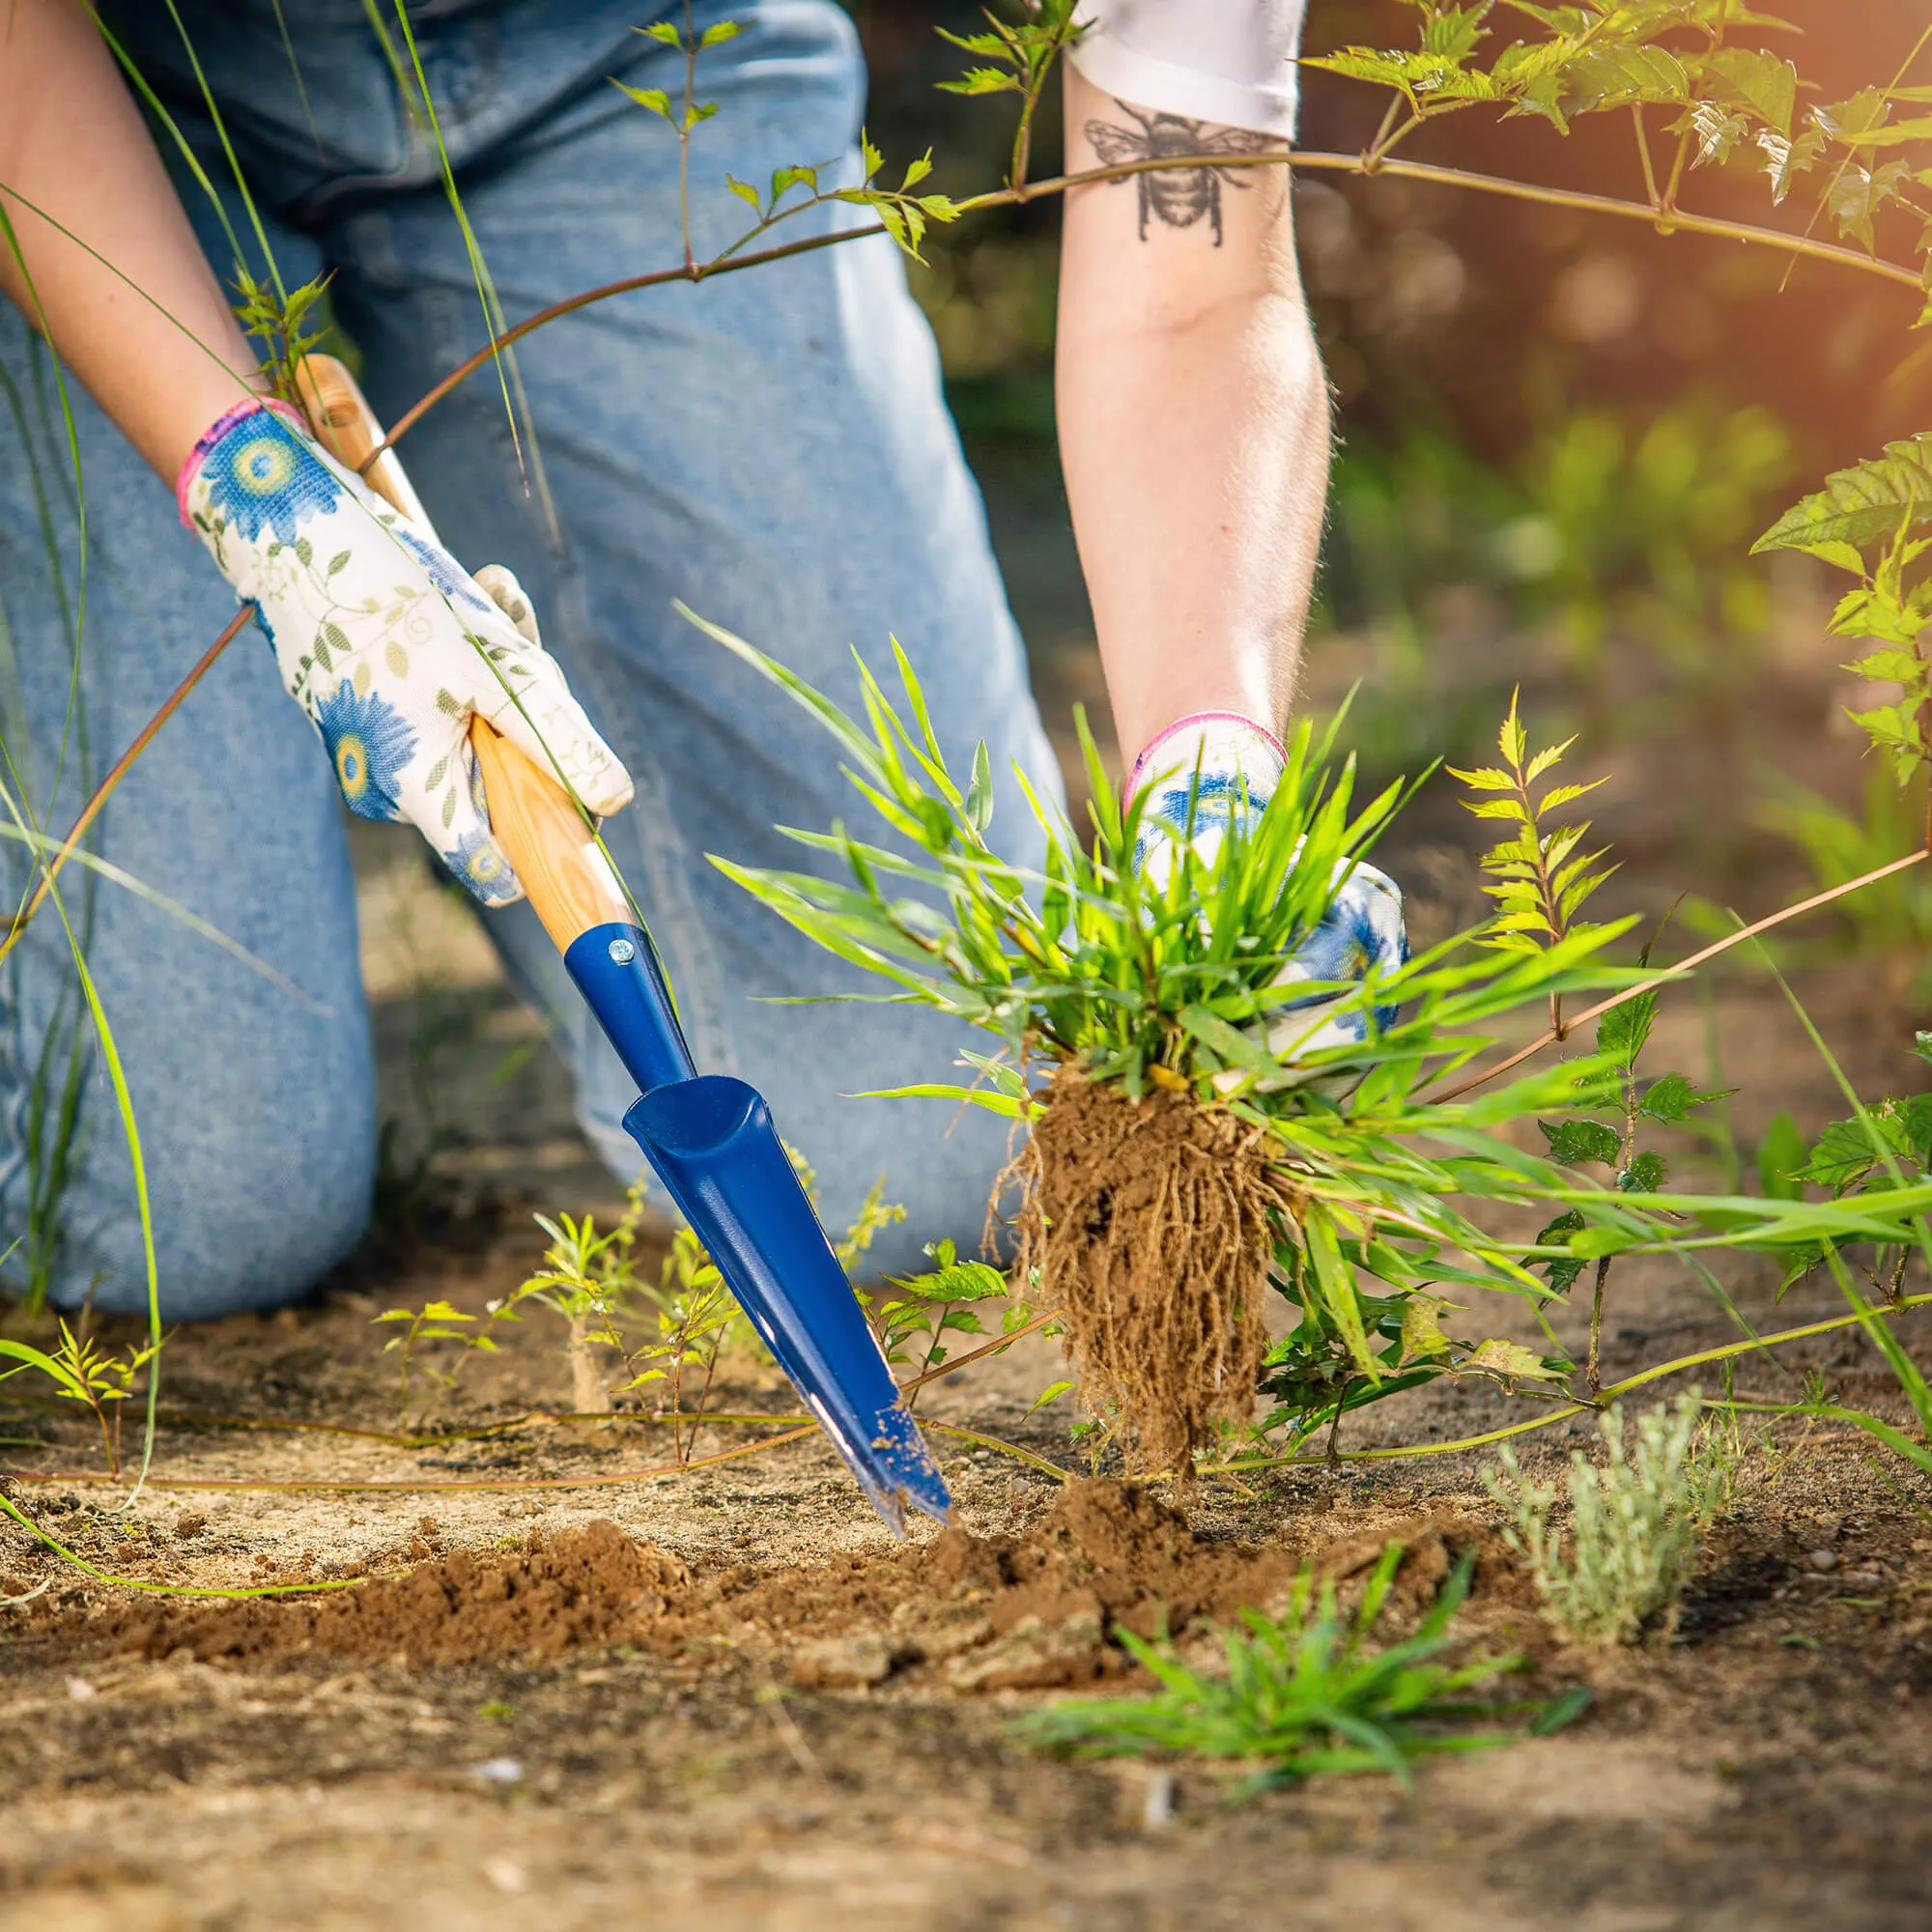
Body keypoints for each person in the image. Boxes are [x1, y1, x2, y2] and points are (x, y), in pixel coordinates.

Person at [0, 0, 1399, 1320]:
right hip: (93, 88)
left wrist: (1214, 770)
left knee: (929, 1150)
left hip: (639, 56)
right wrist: (256, 493)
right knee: (181, 1208)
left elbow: (1197, 282)